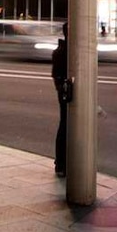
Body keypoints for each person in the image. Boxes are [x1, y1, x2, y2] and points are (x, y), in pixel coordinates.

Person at [51, 23, 69, 178]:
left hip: (62, 92)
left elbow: (55, 75)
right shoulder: (66, 52)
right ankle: (62, 162)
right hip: (67, 92)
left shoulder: (58, 51)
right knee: (66, 125)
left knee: (64, 124)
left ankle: (61, 163)